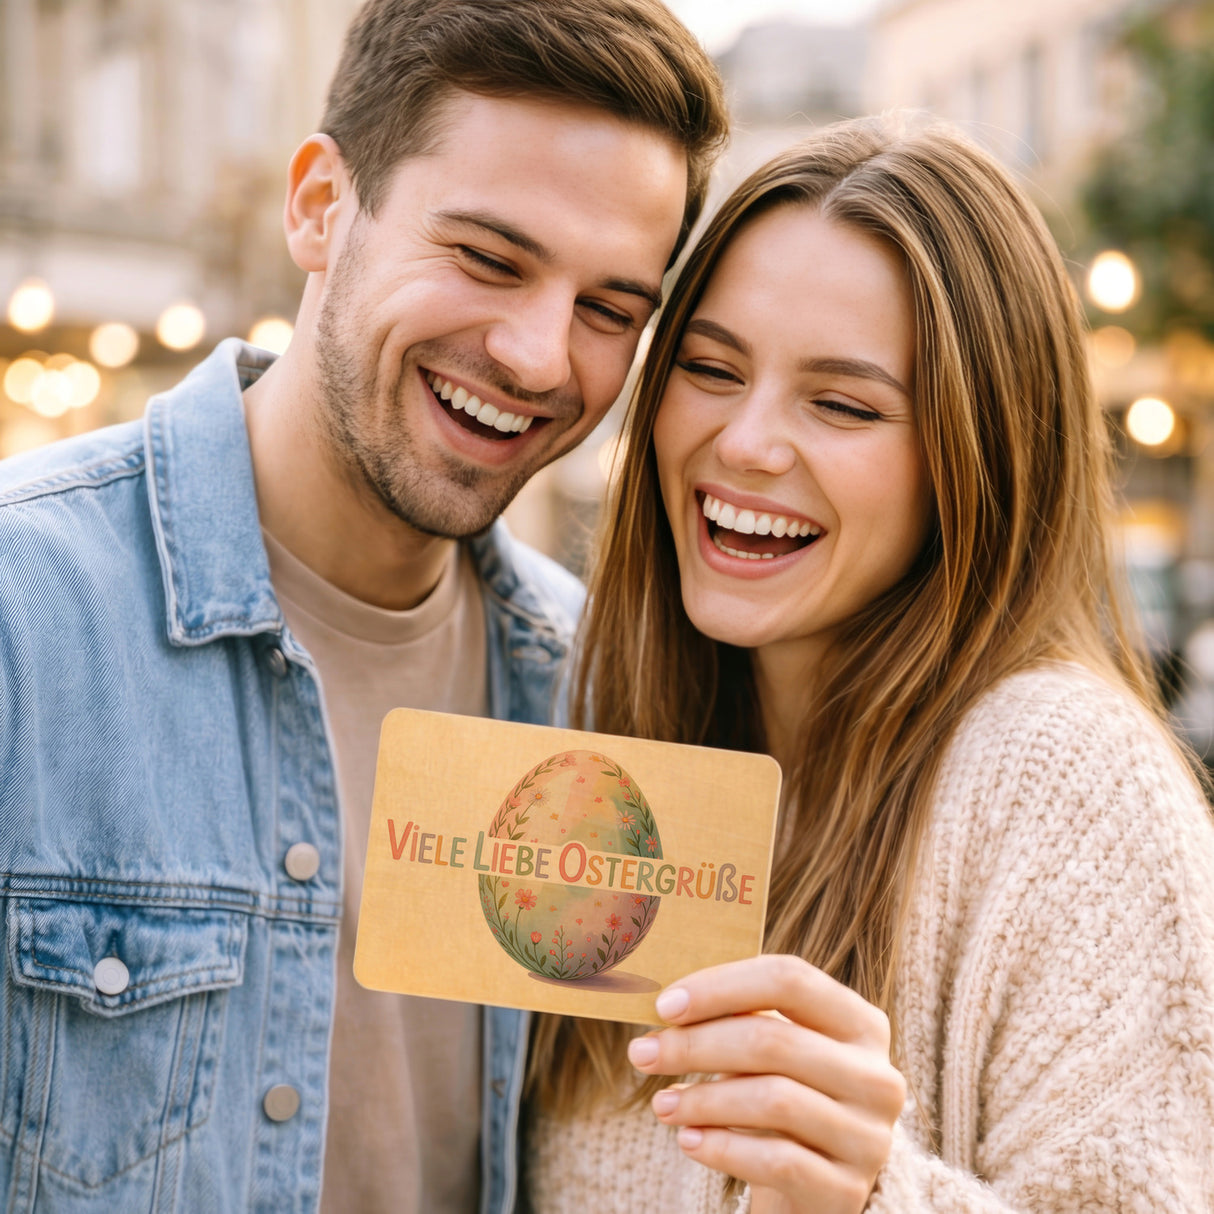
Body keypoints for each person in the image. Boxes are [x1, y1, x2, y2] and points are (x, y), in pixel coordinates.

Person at [0, 2, 727, 1211]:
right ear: (320, 207)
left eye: (609, 308)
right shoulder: (26, 611)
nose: (542, 356)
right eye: (488, 258)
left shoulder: (599, 695)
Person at [523, 115, 1214, 1213]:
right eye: (708, 367)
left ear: (972, 455)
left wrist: (869, 1193)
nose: (746, 441)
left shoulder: (1068, 784)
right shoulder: (611, 732)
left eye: (840, 403)